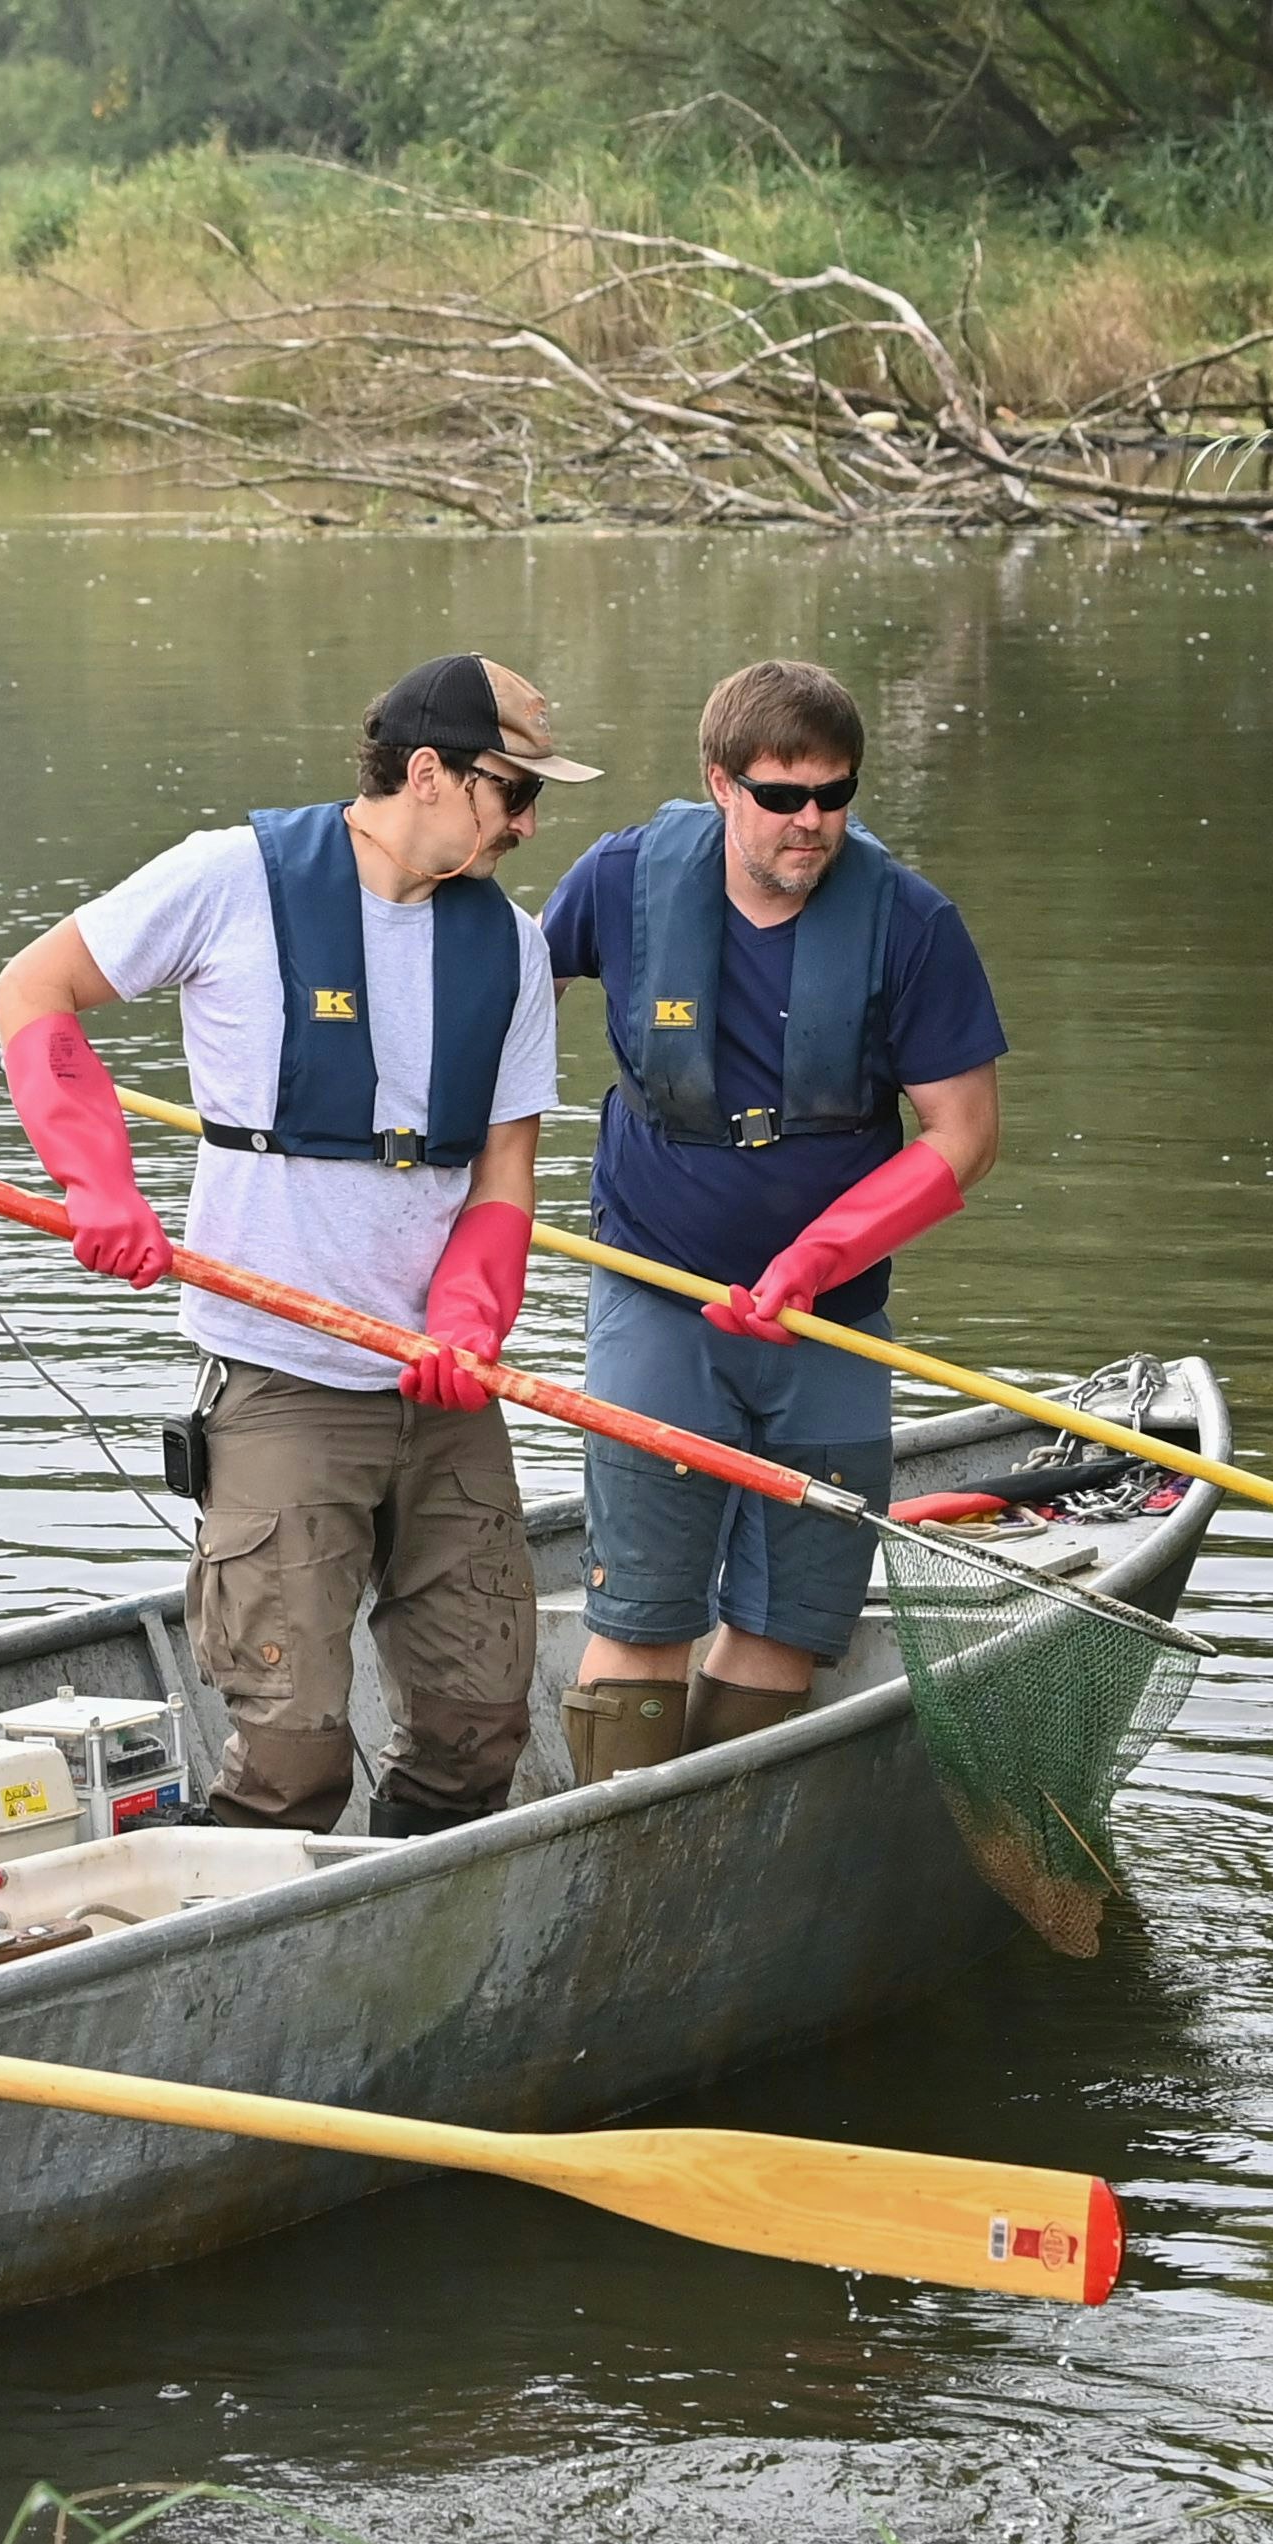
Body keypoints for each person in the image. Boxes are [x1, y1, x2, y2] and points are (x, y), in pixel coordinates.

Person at [0, 653, 594, 1834]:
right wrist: (96, 1181)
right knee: (292, 1748)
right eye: (511, 791)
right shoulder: (228, 879)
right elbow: (32, 990)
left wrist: (470, 1317)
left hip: (442, 1390)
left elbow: (504, 1167)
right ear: (428, 771)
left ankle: (411, 1913)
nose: (526, 823)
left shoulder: (508, 946)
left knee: (481, 1730)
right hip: (281, 1378)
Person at [536, 660, 1008, 1782]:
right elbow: (498, 1017)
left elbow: (964, 1133)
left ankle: (714, 1853)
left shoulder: (911, 922)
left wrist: (817, 1258)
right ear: (718, 784)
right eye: (781, 796)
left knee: (790, 1622)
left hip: (830, 1318)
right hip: (659, 1291)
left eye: (833, 795)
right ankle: (620, 1862)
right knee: (643, 1612)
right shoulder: (617, 881)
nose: (812, 823)